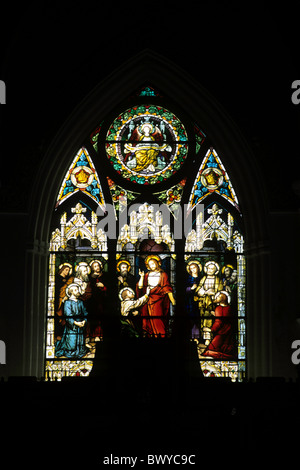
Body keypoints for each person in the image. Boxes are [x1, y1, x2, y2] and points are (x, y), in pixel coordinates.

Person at [137, 255, 175, 337]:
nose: (152, 266)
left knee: (158, 319)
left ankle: (161, 336)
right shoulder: (146, 274)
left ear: (158, 263)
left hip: (158, 300)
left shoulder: (163, 274)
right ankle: (150, 336)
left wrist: (173, 300)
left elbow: (167, 288)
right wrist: (142, 277)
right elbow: (140, 287)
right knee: (147, 321)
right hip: (147, 300)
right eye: (150, 264)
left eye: (153, 263)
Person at [55, 283, 89, 358]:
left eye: (78, 290)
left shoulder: (80, 302)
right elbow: (68, 315)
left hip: (80, 325)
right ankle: (70, 351)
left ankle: (79, 351)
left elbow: (85, 313)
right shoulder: (67, 303)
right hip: (72, 326)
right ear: (71, 292)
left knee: (80, 343)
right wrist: (75, 323)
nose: (78, 291)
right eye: (76, 290)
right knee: (71, 343)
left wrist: (84, 321)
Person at [202, 291, 236, 359]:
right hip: (229, 333)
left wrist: (210, 330)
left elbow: (219, 322)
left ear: (222, 299)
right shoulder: (229, 308)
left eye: (218, 297)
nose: (216, 297)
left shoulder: (218, 308)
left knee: (210, 351)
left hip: (221, 334)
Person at [195, 261, 223, 341]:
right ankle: (205, 339)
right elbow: (198, 290)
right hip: (203, 303)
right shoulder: (203, 279)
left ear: (216, 270)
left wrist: (214, 294)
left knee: (211, 321)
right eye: (208, 268)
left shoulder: (218, 280)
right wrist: (205, 292)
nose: (210, 270)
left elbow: (220, 292)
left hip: (214, 304)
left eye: (212, 269)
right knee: (204, 321)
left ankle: (211, 339)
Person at [185, 260, 202, 339]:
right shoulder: (188, 279)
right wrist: (191, 288)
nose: (193, 270)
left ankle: (198, 337)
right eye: (191, 268)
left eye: (194, 267)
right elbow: (183, 290)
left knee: (200, 318)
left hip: (201, 301)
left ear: (198, 268)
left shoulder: (202, 278)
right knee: (191, 318)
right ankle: (192, 337)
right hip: (190, 301)